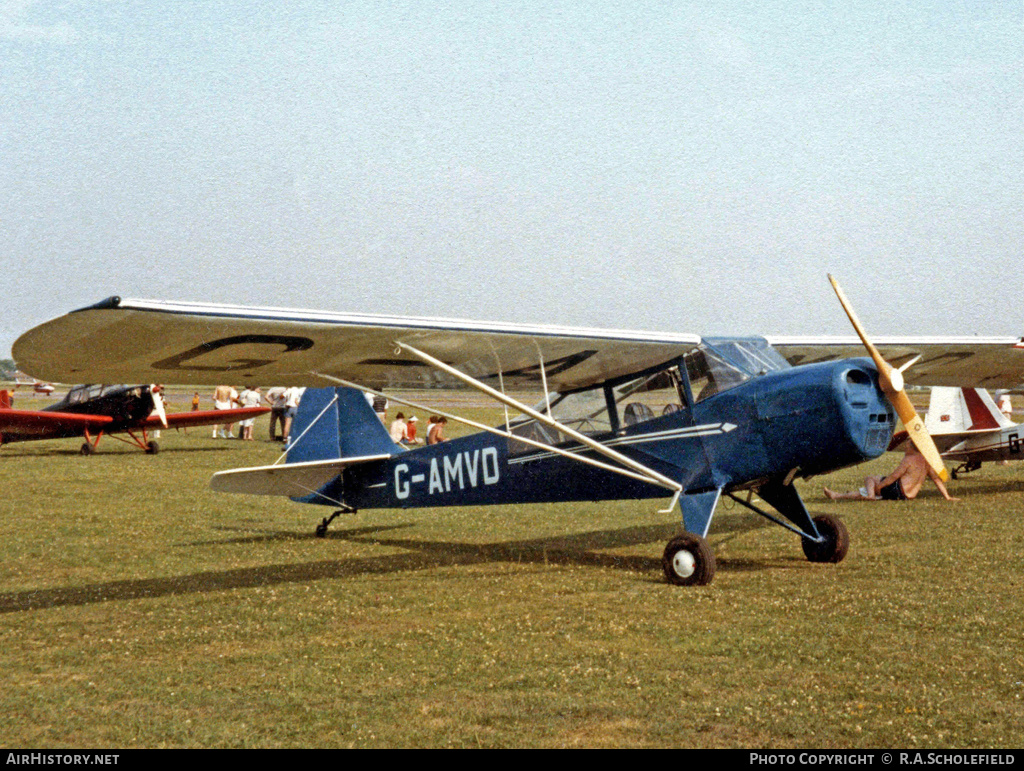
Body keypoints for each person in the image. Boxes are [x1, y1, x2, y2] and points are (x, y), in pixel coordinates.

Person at [824, 443, 958, 502]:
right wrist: (947, 496)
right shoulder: (926, 462)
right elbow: (936, 479)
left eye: (907, 445)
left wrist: (880, 487)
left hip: (898, 491)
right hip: (909, 496)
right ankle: (837, 495)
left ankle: (870, 495)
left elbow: (894, 476)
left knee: (870, 479)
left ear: (912, 448)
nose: (905, 447)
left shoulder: (909, 459)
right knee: (867, 490)